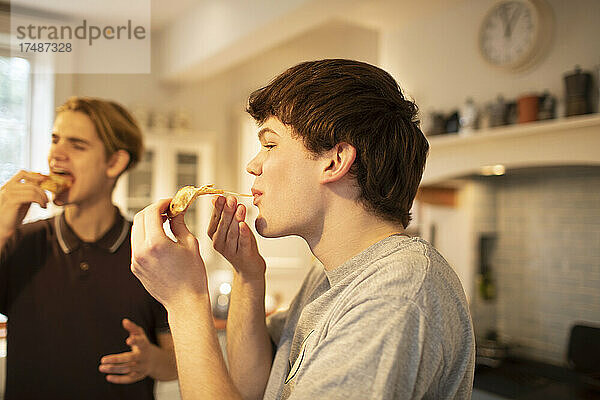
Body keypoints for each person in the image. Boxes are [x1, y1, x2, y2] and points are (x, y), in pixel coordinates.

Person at [130, 59, 475, 399]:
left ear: (334, 160)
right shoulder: (329, 275)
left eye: (269, 144)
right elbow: (253, 387)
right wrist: (248, 275)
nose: (253, 165)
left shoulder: (397, 294)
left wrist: (184, 302)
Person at [0, 97, 177, 399]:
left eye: (77, 145)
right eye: (55, 140)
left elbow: (176, 361)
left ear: (114, 163)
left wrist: (150, 360)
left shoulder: (152, 251)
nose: (55, 153)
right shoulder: (18, 241)